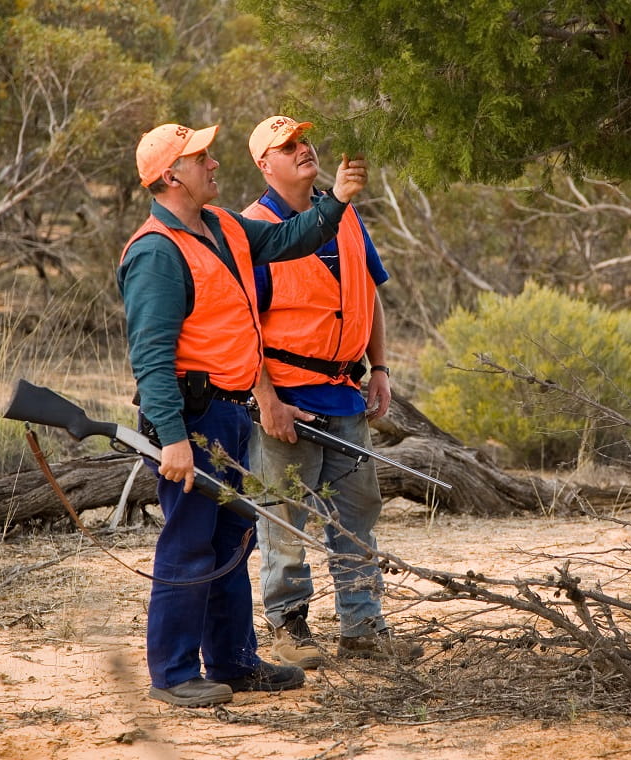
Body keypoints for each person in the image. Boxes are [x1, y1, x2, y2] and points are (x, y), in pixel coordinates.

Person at [117, 122, 369, 707]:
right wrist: (175, 440)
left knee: (233, 539)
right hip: (193, 421)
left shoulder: (225, 225)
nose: (214, 163)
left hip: (230, 417)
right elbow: (151, 359)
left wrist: (336, 201)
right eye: (200, 156)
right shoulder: (156, 252)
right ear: (170, 175)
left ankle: (234, 661)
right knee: (188, 543)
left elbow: (290, 240)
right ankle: (174, 674)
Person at [242, 115, 423, 668]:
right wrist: (266, 400)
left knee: (357, 513)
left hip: (346, 396)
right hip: (288, 403)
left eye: (306, 141)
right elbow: (240, 326)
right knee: (284, 517)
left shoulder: (346, 216)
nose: (304, 150)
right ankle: (289, 630)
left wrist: (382, 368)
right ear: (264, 164)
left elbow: (369, 296)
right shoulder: (250, 228)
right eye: (288, 146)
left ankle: (364, 628)